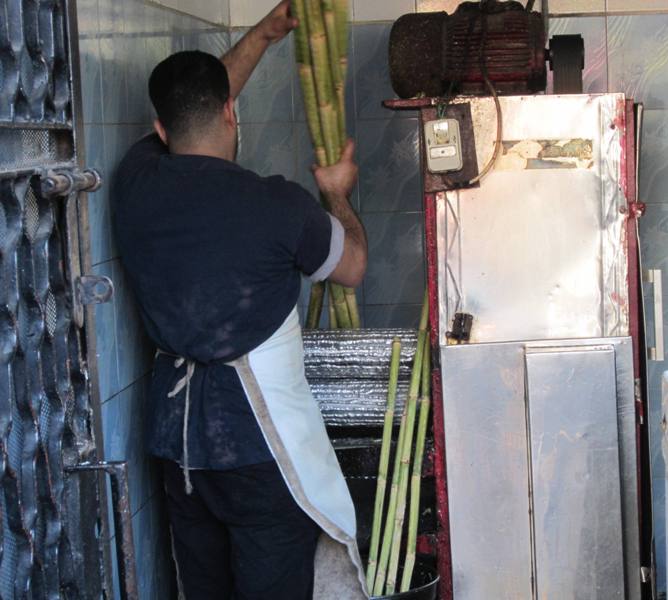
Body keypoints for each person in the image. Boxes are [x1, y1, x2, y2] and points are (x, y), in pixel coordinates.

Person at [112, 2, 368, 599]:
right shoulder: (278, 205)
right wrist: (337, 196)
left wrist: (266, 32)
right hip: (258, 450)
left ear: (160, 131)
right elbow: (351, 267)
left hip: (180, 452)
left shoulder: (134, 182)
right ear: (232, 112)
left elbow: (191, 103)